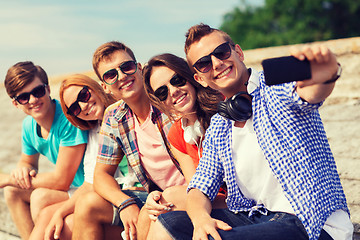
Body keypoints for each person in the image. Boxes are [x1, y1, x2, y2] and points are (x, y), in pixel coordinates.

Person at [156, 23, 354, 240]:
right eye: (203, 64)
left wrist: (327, 75)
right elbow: (199, 188)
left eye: (221, 52)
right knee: (169, 222)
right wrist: (201, 219)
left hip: (311, 222)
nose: (216, 63)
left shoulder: (275, 89)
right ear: (200, 79)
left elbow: (311, 93)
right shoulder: (219, 128)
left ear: (238, 52)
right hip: (260, 218)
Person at [71, 41, 186, 240]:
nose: (122, 76)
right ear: (105, 87)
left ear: (139, 68)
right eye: (110, 75)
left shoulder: (167, 97)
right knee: (88, 204)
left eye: (126, 67)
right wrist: (124, 203)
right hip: (157, 196)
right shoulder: (114, 116)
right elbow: (101, 176)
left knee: (146, 217)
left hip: (189, 193)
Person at [28, 74, 140, 240]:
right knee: (48, 214)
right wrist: (60, 212)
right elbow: (90, 183)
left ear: (95, 87)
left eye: (84, 95)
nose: (83, 106)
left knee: (71, 222)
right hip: (116, 196)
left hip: (134, 195)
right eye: (75, 108)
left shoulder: (126, 113)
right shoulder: (96, 130)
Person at [142, 53, 226, 239]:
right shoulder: (178, 133)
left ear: (190, 77)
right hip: (208, 200)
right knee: (150, 209)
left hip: (241, 199)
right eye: (162, 92)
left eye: (177, 80)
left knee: (167, 199)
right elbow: (195, 185)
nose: (173, 91)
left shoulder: (225, 107)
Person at [1, 62, 88, 240]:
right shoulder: (29, 125)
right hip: (71, 189)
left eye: (37, 91)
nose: (33, 100)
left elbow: (62, 180)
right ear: (16, 103)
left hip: (87, 189)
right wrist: (21, 170)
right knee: (12, 191)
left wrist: (7, 178)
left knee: (40, 197)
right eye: (24, 97)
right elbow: (28, 162)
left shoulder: (67, 118)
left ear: (48, 89)